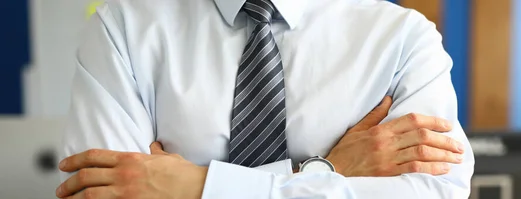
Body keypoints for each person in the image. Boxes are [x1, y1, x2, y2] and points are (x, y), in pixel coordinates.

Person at [56, 0, 475, 198]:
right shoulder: (124, 28)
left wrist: (200, 187)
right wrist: (331, 171)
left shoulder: (402, 38)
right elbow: (102, 194)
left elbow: (431, 194)